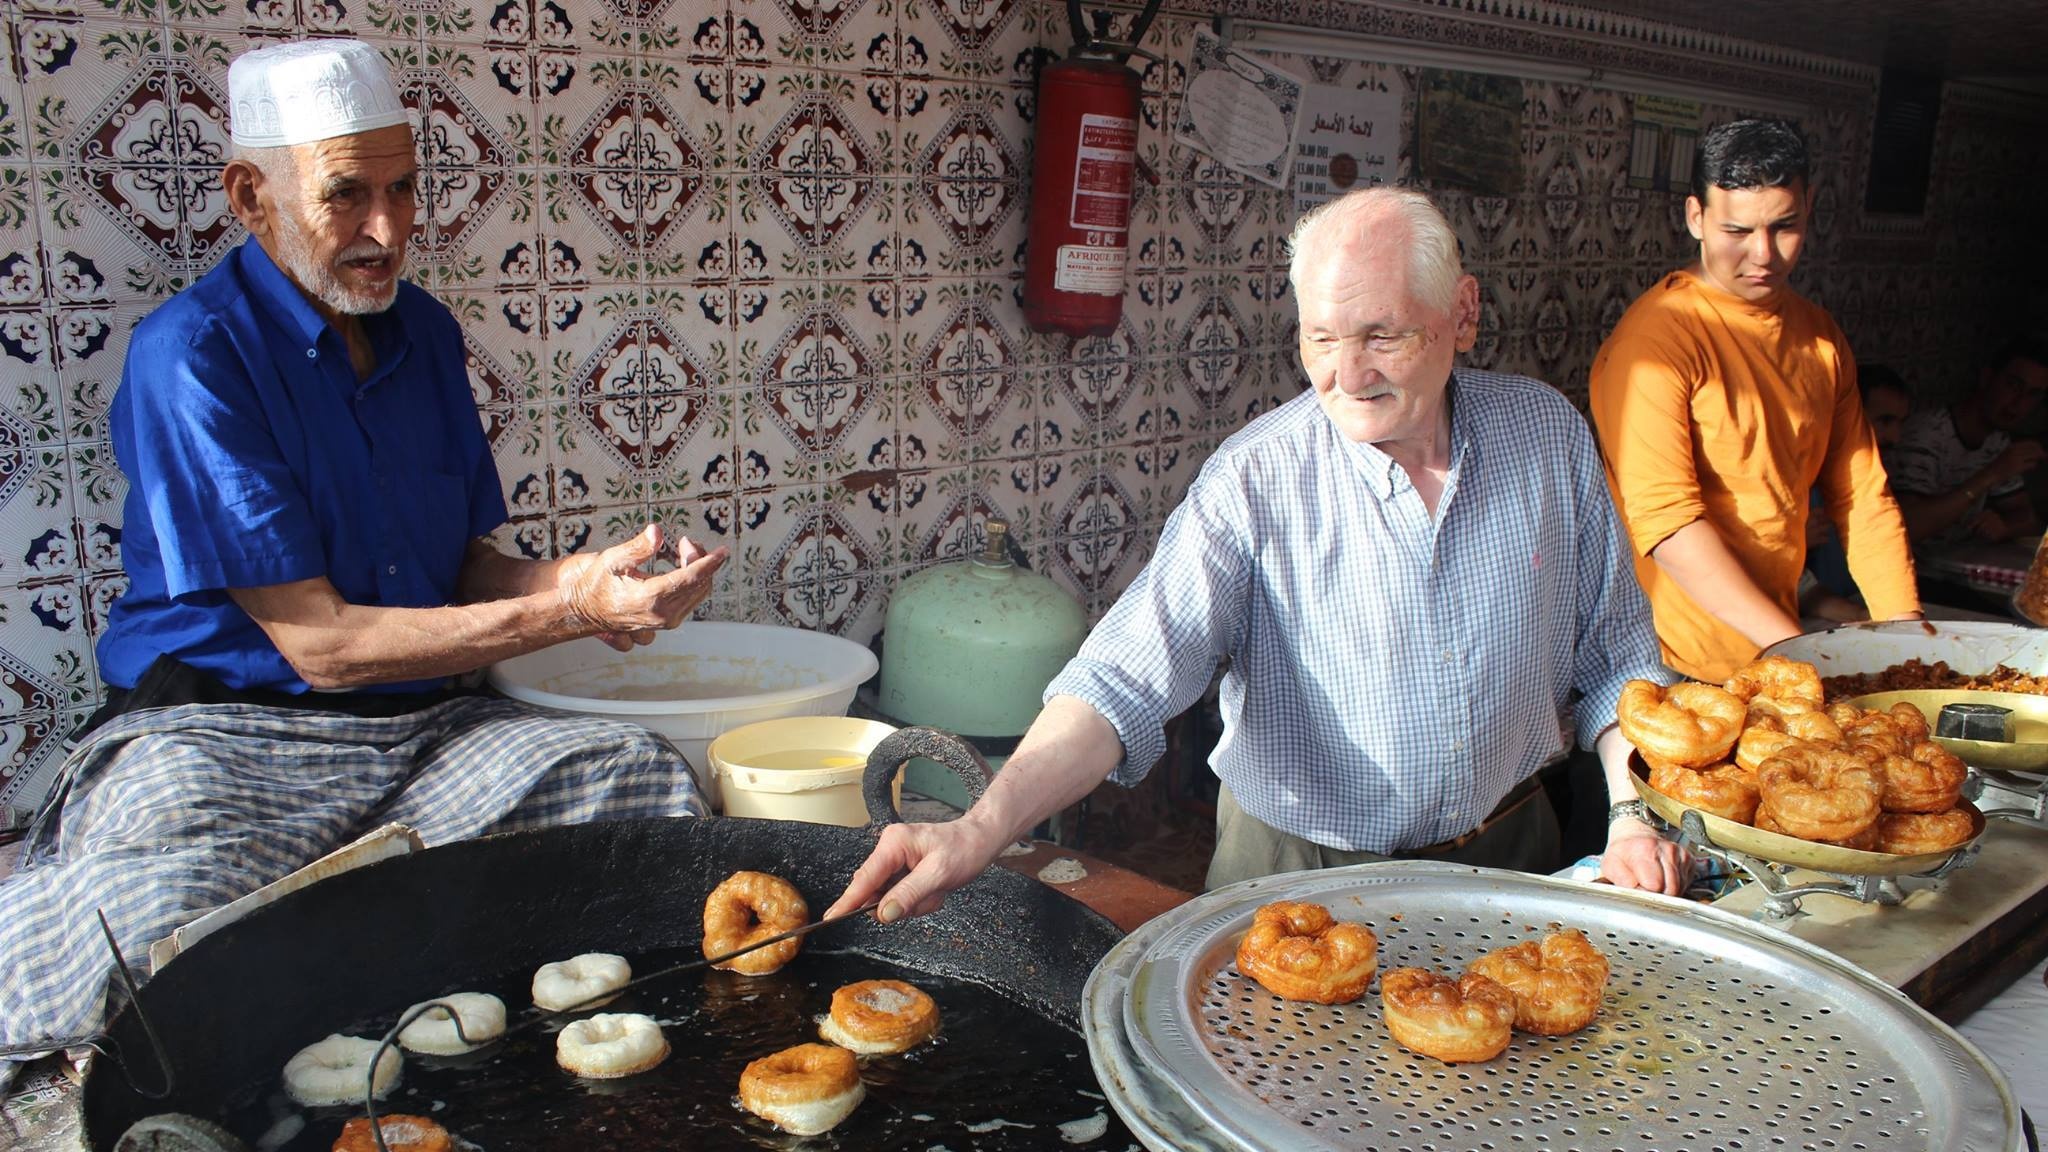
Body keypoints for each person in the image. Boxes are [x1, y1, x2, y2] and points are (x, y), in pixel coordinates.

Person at [0, 39, 728, 1083]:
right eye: (346, 195)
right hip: (223, 739)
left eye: (402, 189)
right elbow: (322, 647)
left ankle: (375, 950)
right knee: (156, 924)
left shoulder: (422, 334)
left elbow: (465, 569)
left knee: (633, 787)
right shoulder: (194, 354)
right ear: (252, 197)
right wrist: (564, 610)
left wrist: (591, 584)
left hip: (421, 737)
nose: (386, 231)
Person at [827, 187, 1688, 928]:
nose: (1345, 376)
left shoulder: (1545, 438)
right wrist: (980, 828)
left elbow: (1617, 654)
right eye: (1320, 339)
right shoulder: (1256, 479)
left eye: (1380, 336)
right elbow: (1123, 680)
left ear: (1461, 314)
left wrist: (1632, 814)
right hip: (1297, 872)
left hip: (1512, 854)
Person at [1589, 118, 1919, 684]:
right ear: (1696, 217)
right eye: (1737, 231)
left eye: (1784, 226)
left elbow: (1861, 494)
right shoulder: (1657, 342)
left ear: (1809, 207)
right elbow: (1668, 525)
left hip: (1774, 647)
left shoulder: (1819, 337)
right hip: (1668, 662)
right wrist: (1794, 648)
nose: (1763, 254)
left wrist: (1906, 632)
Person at [1886, 337, 2048, 546]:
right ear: (1987, 378)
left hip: (1962, 565)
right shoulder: (1927, 433)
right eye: (2013, 385)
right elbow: (1908, 527)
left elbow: (2029, 519)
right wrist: (1992, 474)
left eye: (2033, 394)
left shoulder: (1997, 439)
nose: (2019, 403)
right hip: (1913, 567)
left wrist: (2005, 527)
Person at [1802, 364, 1913, 620]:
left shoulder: (1872, 482)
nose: (1895, 437)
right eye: (1884, 421)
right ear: (1847, 418)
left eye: (1900, 423)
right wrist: (1790, 547)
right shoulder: (1801, 486)